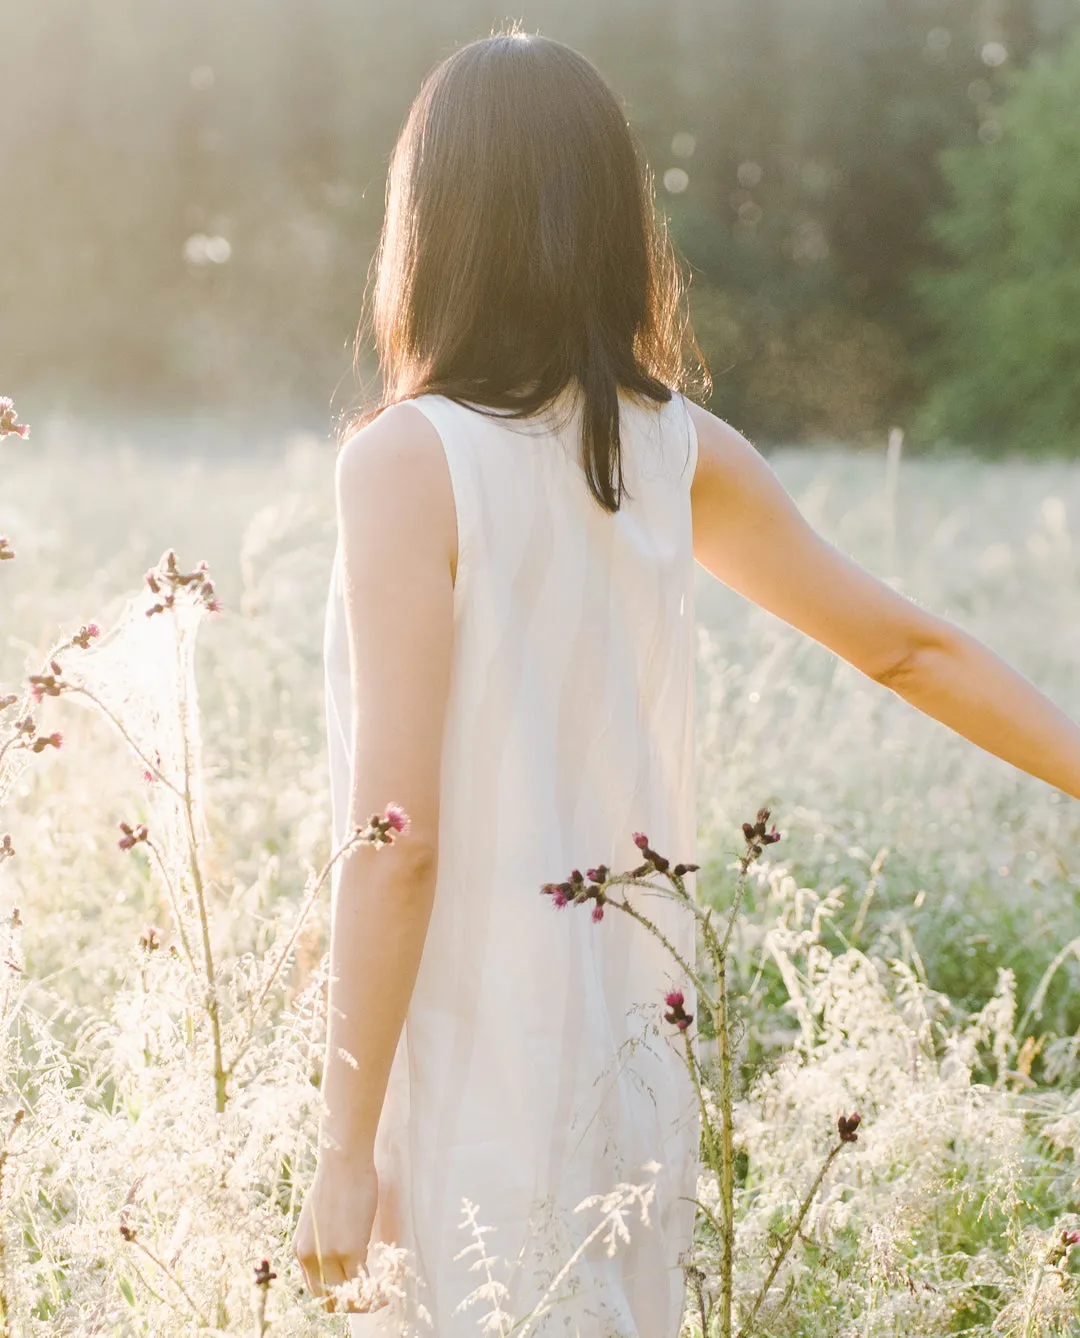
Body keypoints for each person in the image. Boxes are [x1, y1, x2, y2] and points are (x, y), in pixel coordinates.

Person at [292, 27, 1080, 1338]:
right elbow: (908, 646)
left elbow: (397, 842)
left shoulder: (402, 462)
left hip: (463, 1066)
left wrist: (341, 1142)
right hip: (626, 1067)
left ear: (427, 224)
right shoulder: (672, 449)